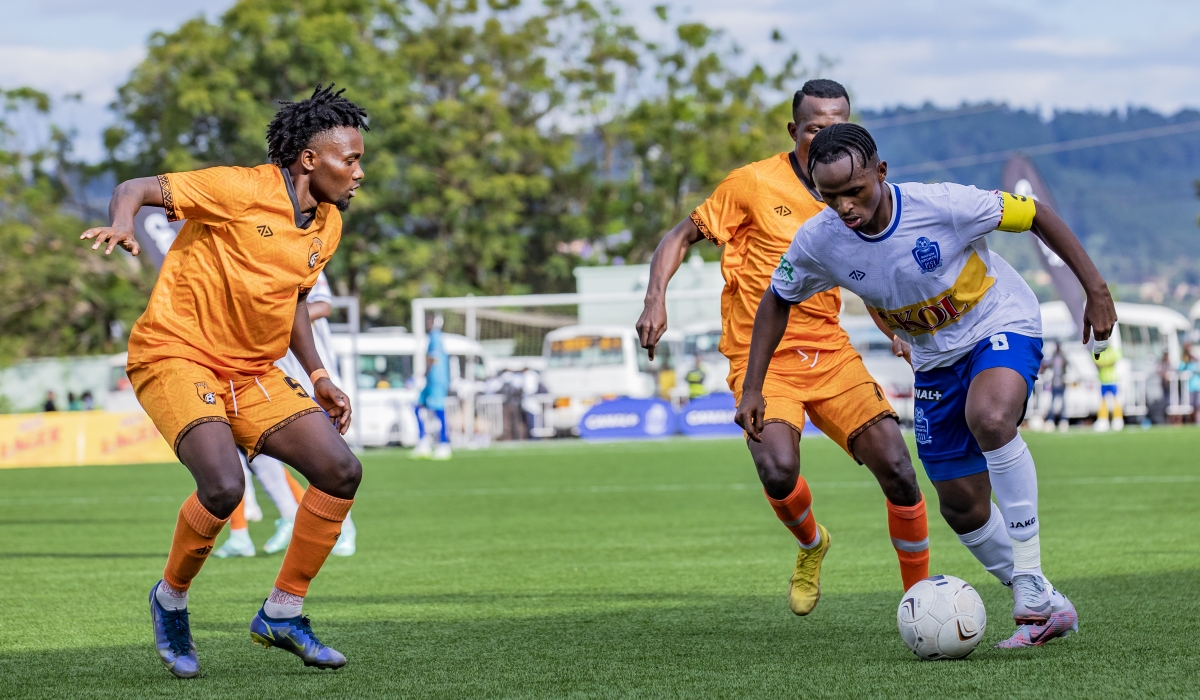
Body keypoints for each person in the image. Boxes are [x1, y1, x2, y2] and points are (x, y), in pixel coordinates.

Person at [745, 122, 1117, 648]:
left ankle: (1030, 582)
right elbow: (777, 298)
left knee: (989, 418)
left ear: (881, 172)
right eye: (831, 197)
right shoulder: (819, 241)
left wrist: (1095, 291)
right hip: (935, 360)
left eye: (856, 191)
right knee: (961, 506)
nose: (846, 206)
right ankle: (1047, 606)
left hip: (999, 322)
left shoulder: (942, 205)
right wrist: (753, 388)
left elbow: (1035, 215)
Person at [80, 85, 367, 677]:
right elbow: (135, 188)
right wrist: (121, 222)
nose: (359, 171)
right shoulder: (240, 187)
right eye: (351, 159)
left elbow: (292, 301)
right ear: (309, 159)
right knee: (223, 485)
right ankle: (171, 600)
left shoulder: (328, 225)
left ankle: (283, 612)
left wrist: (317, 374)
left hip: (254, 370)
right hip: (175, 354)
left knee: (341, 470)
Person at [638, 79, 930, 616]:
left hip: (831, 354)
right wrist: (656, 298)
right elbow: (680, 235)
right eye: (815, 128)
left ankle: (922, 598)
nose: (825, 137)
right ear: (795, 130)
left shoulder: (854, 189)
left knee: (898, 467)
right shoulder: (752, 184)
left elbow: (866, 270)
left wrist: (897, 334)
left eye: (836, 126)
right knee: (777, 469)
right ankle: (811, 543)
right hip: (762, 359)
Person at [412, 314, 452, 459]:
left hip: (436, 380)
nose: (428, 323)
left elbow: (432, 359)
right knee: (417, 406)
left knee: (438, 410)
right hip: (431, 380)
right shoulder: (432, 337)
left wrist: (421, 375)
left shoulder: (436, 336)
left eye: (431, 320)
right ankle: (424, 441)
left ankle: (444, 443)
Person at [1093, 344, 1124, 431]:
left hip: (1113, 380)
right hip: (1103, 381)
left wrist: (1104, 365)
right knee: (1103, 402)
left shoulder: (1112, 350)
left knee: (1116, 401)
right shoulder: (1097, 351)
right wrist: (1107, 364)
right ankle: (1103, 420)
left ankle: (1117, 420)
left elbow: (1114, 362)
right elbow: (1097, 364)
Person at [1040, 343, 1068, 432]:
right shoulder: (1053, 358)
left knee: (1063, 404)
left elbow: (1068, 366)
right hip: (1054, 383)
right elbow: (1046, 365)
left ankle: (1063, 421)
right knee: (1052, 404)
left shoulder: (1063, 358)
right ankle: (1050, 421)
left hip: (1062, 383)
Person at [1180, 343, 1200, 423]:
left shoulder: (1194, 358)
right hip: (1188, 387)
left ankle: (1197, 421)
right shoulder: (1184, 358)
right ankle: (1190, 421)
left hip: (1197, 386)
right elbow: (1180, 369)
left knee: (1198, 405)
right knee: (1189, 407)